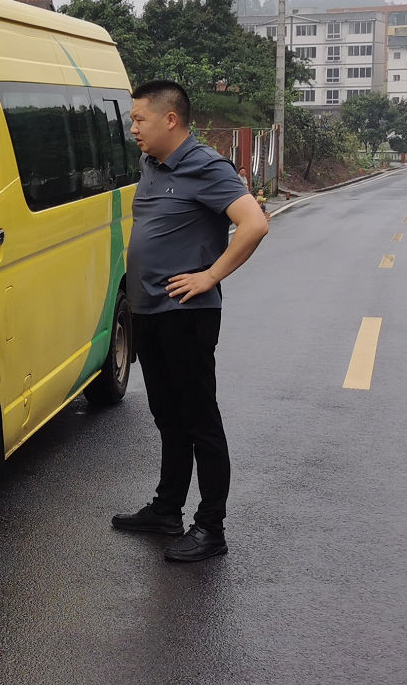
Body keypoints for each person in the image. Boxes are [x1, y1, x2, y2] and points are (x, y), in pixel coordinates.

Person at [111, 79, 269, 563]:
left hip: (186, 315)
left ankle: (211, 527)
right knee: (168, 416)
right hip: (147, 311)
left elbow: (254, 223)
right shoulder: (151, 163)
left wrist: (209, 276)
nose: (133, 128)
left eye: (140, 119)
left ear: (170, 119)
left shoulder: (206, 165)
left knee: (200, 421)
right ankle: (167, 509)